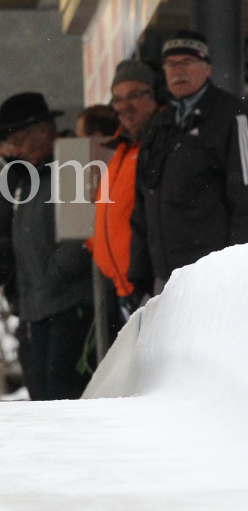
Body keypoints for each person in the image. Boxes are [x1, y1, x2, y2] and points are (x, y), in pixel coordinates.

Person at [129, 31, 248, 297]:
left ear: (208, 69)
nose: (178, 70)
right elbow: (141, 206)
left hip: (213, 275)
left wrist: (236, 269)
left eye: (187, 62)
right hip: (164, 279)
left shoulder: (233, 116)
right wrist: (139, 274)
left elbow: (245, 200)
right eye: (171, 64)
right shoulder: (157, 126)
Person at [0, 93, 93, 400]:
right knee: (41, 398)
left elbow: (82, 230)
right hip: (34, 310)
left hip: (71, 305)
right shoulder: (24, 177)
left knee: (64, 394)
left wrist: (56, 272)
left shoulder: (73, 165)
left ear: (43, 131)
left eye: (19, 141)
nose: (15, 151)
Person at [89, 60, 162, 330]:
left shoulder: (158, 145)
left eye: (134, 95)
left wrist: (143, 278)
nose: (124, 106)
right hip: (123, 288)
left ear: (155, 96)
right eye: (117, 99)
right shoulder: (122, 149)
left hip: (150, 283)